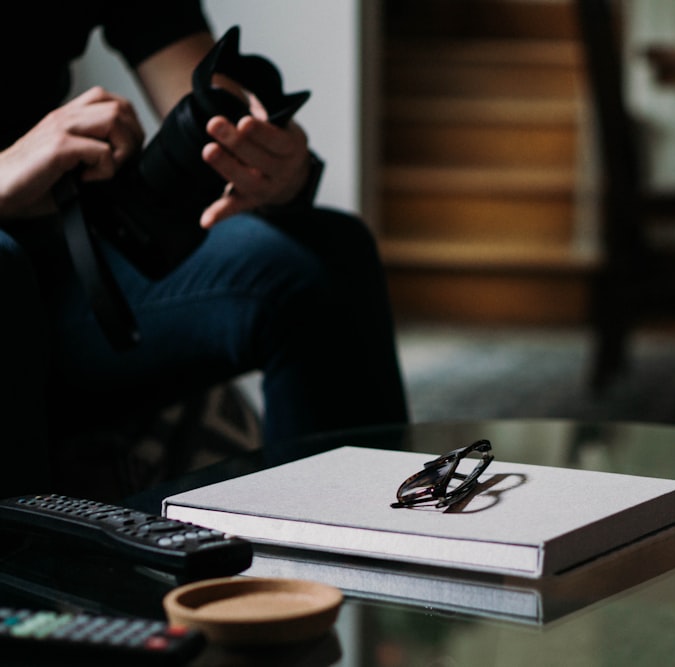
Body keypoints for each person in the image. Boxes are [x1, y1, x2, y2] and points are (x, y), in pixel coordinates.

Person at [0, 2, 409, 496]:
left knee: (325, 256)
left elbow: (208, 102)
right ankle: (27, 566)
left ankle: (354, 550)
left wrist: (269, 165)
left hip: (68, 251)